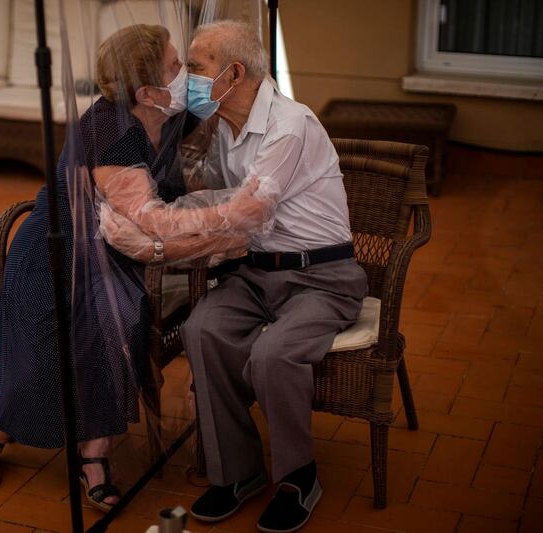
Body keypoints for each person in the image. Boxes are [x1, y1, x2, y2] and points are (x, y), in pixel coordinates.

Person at [0, 24, 263, 512]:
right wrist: (233, 218)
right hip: (53, 256)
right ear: (146, 90)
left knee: (122, 317)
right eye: (175, 66)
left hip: (109, 252)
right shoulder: (113, 131)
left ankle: (94, 451)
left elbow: (224, 93)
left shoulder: (161, 112)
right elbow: (153, 221)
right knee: (86, 328)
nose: (184, 74)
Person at [180, 21, 368, 532]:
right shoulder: (221, 125)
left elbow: (244, 211)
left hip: (322, 276)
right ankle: (237, 473)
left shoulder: (291, 123)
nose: (187, 78)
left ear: (232, 73)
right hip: (255, 274)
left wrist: (162, 233)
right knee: (201, 330)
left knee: (273, 353)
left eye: (195, 68)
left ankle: (298, 477)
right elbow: (209, 195)